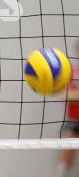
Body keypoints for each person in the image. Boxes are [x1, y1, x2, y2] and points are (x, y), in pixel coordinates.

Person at [55, 41, 79, 177]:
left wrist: (73, 95)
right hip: (73, 121)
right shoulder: (71, 72)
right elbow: (63, 96)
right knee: (65, 160)